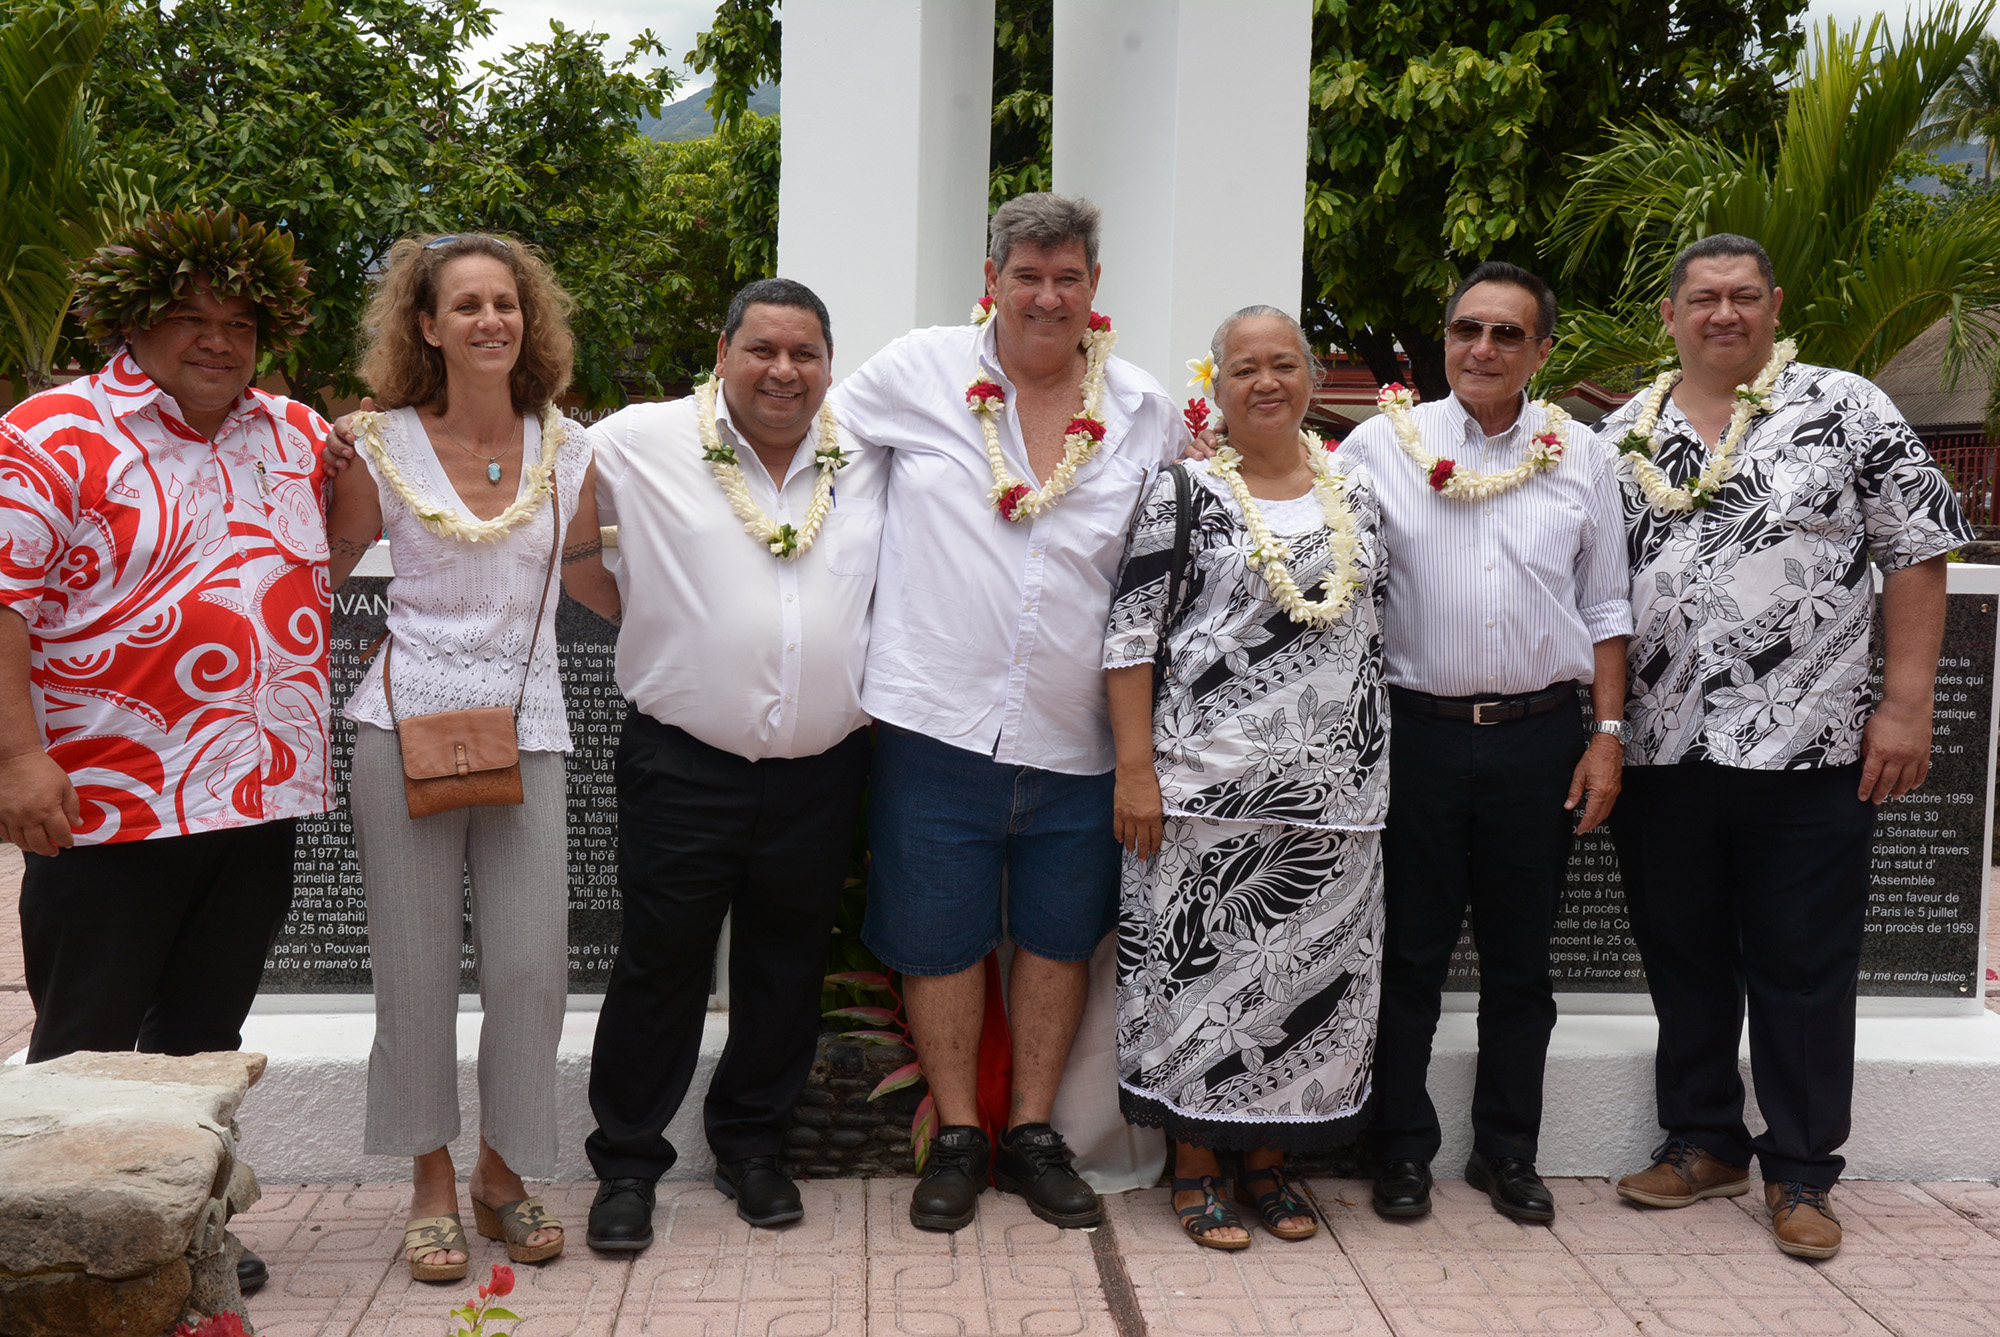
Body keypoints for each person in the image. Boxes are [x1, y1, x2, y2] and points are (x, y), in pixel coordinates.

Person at [1599, 234, 1969, 1260]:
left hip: (1812, 744)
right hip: (1663, 749)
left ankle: (1802, 1169)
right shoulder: (1619, 433)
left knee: (1803, 965)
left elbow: (1916, 547)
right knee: (1681, 955)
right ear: (1669, 315)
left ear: (1772, 306)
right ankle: (1701, 1138)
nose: (1724, 313)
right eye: (1703, 298)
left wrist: (1903, 705)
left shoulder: (1845, 406)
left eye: (1744, 296)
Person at [828, 192, 1182, 1233]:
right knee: (935, 935)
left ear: (1092, 287)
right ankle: (954, 1133)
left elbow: (1177, 556)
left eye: (1066, 275)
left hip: (1081, 730)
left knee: (1058, 934)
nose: (1045, 293)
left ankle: (1029, 1130)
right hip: (934, 717)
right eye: (1025, 274)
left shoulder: (1142, 407)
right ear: (992, 279)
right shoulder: (915, 372)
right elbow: (799, 445)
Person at [0, 205, 326, 1296]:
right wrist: (15, 756)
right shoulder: (51, 432)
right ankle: (52, 1260)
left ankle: (181, 1228)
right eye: (190, 315)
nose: (218, 339)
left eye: (239, 320)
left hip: (253, 795)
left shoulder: (294, 434)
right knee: (86, 1048)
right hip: (107, 806)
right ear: (135, 320)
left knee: (202, 1036)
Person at [324, 233, 618, 1281]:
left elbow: (592, 582)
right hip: (398, 730)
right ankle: (432, 1181)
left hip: (528, 728)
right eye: (467, 305)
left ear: (526, 321)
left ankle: (503, 1171)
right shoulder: (374, 445)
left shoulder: (570, 449)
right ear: (427, 326)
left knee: (532, 973)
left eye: (507, 302)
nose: (491, 319)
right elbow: (317, 562)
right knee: (411, 974)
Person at [579, 278, 884, 1251]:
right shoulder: (638, 438)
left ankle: (752, 1144)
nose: (783, 370)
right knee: (658, 968)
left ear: (828, 365)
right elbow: (555, 524)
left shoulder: (868, 454)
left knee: (785, 968)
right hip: (683, 764)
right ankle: (626, 1161)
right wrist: (657, 621)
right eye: (762, 349)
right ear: (721, 353)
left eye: (804, 353)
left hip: (823, 768)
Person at [1339, 261, 1633, 1224]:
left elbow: (1605, 607)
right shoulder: (1384, 445)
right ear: (1448, 335)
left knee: (1519, 961)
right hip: (1415, 736)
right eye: (1469, 328)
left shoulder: (1581, 453)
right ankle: (1400, 1147)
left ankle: (1508, 1150)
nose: (1484, 348)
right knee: (1410, 956)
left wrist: (1606, 735)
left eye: (1509, 334)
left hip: (1538, 741)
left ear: (1542, 350)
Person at [1104, 307, 1386, 1249]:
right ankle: (1195, 1167)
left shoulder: (1358, 490)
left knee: (1307, 993)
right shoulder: (1180, 491)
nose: (1266, 382)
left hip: (1336, 804)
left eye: (1284, 365)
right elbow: (1131, 637)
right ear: (1215, 386)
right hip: (1199, 798)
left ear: (1309, 379)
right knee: (1201, 984)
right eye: (1244, 368)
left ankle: (1271, 1166)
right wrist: (1135, 771)